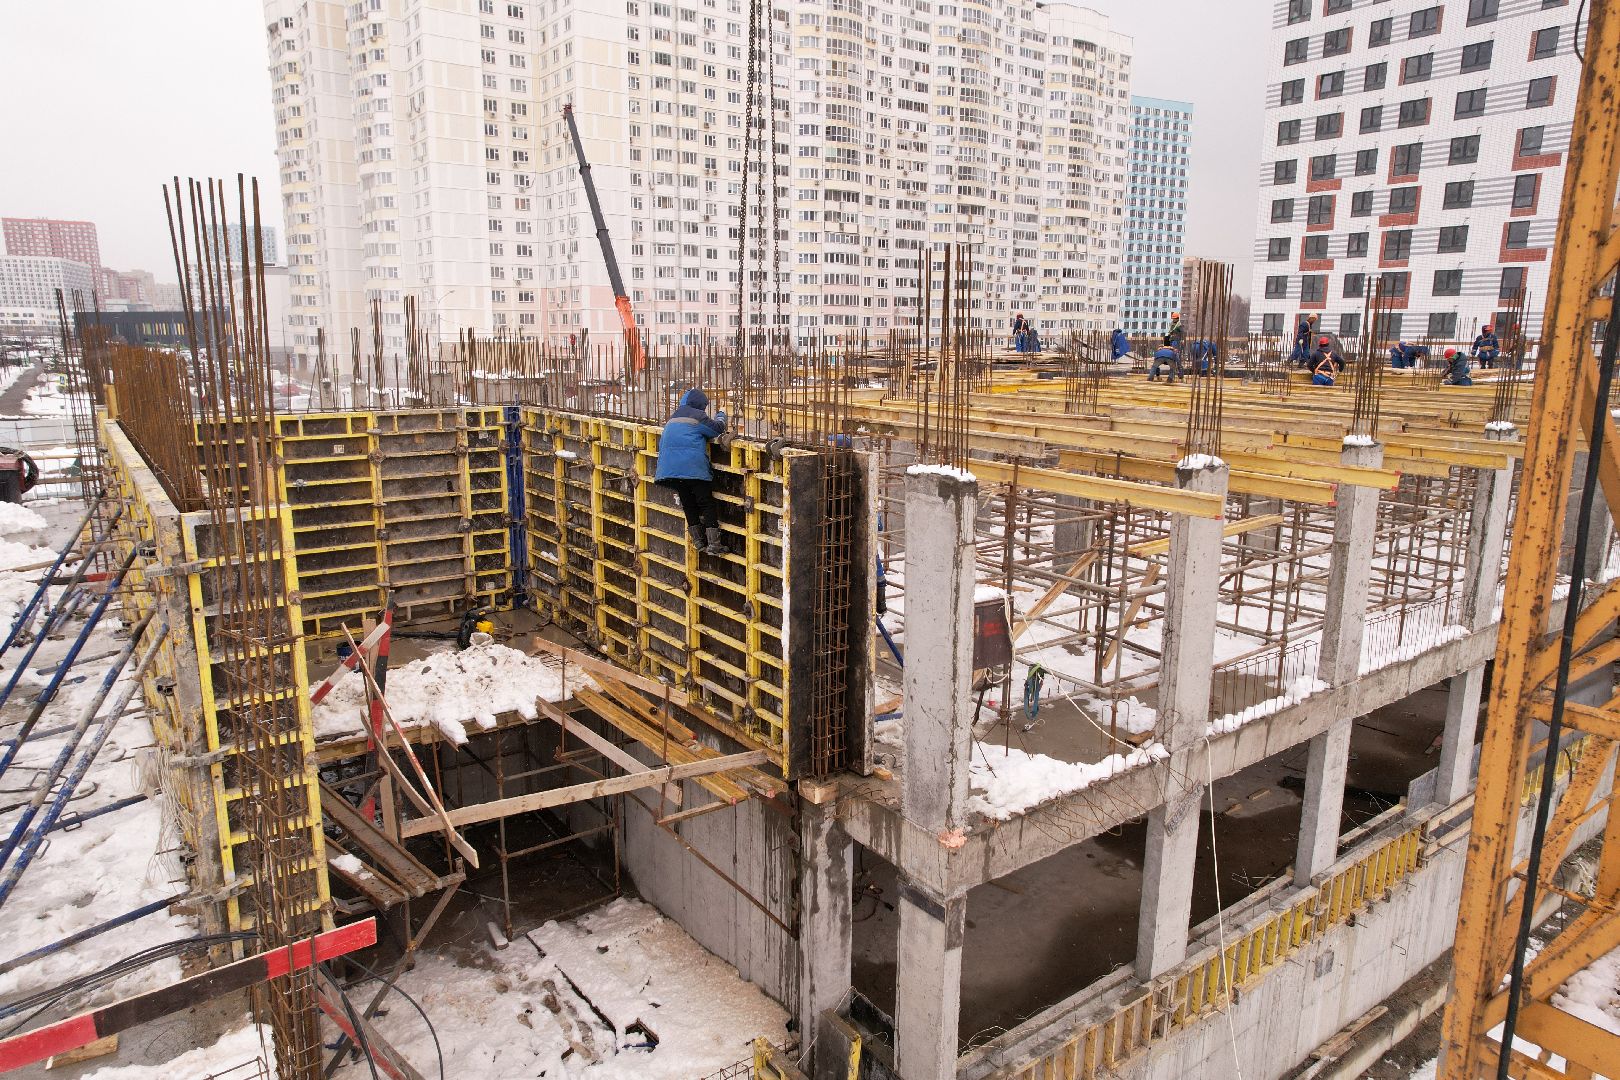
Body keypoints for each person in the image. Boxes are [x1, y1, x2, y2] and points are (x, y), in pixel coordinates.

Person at [656, 387, 729, 555]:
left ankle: (698, 541)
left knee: (688, 502)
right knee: (705, 501)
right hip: (691, 467)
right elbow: (718, 428)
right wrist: (721, 413)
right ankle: (714, 544)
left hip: (669, 469)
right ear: (701, 405)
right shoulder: (698, 416)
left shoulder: (673, 417)